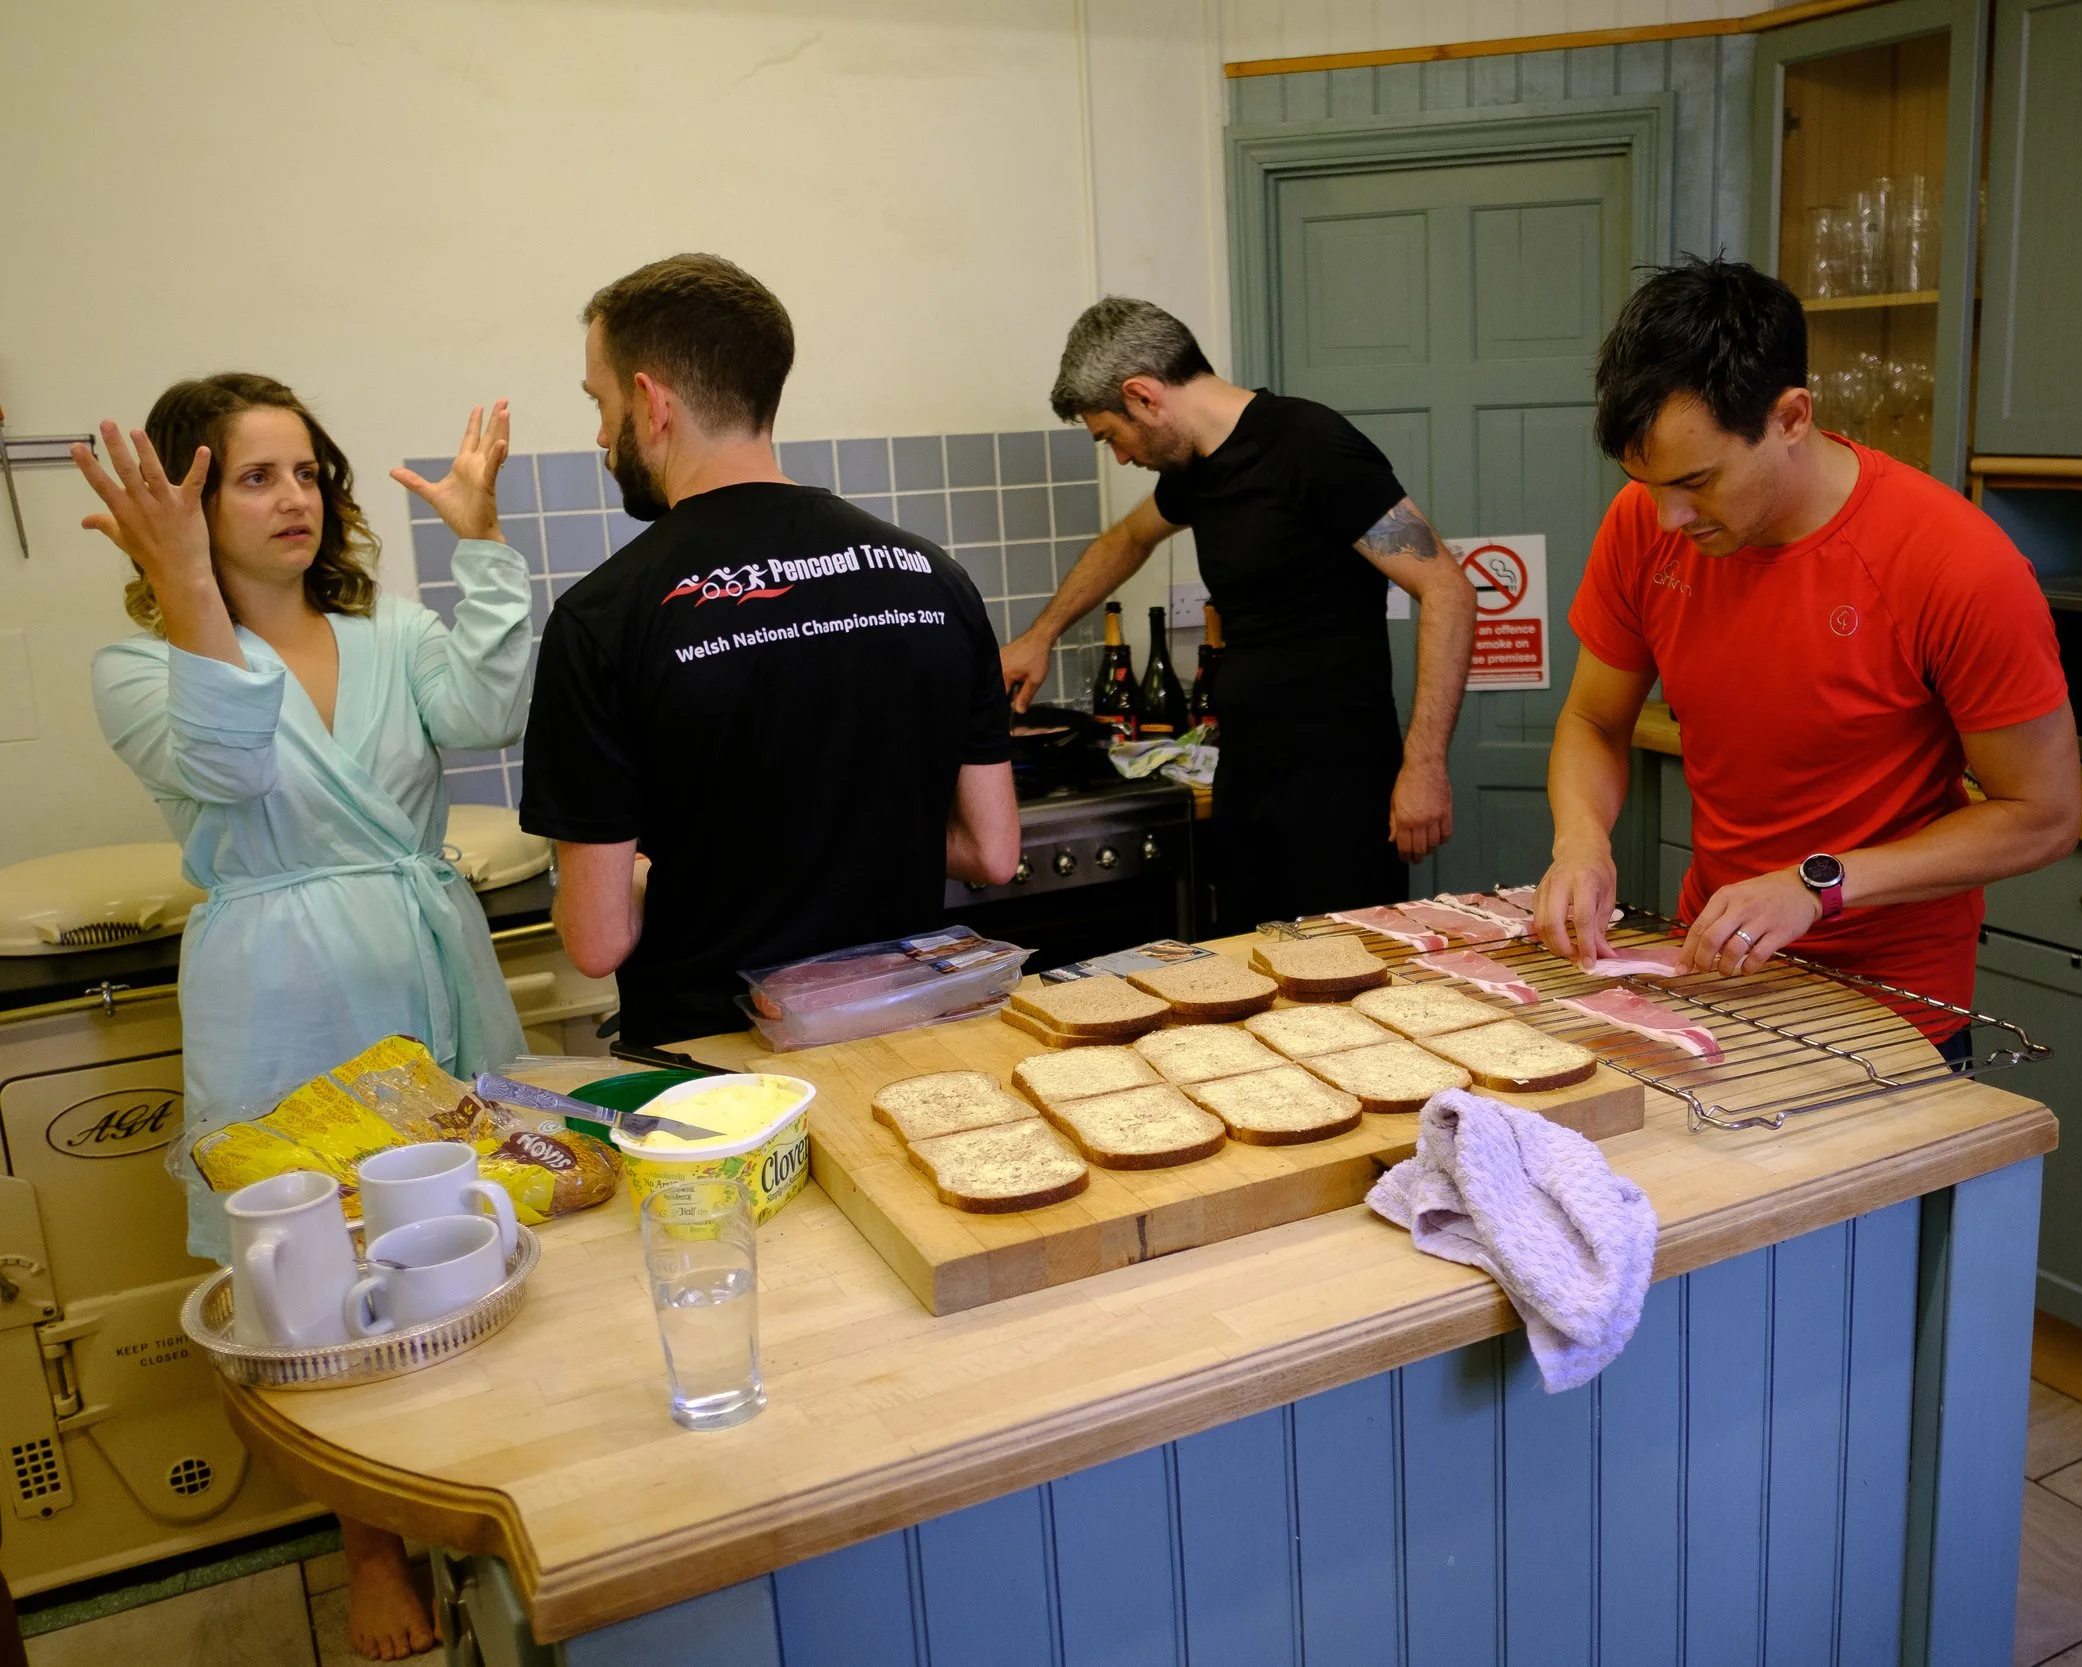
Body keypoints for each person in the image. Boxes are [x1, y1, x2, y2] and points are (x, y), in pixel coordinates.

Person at [78, 375, 529, 1662]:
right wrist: (186, 589)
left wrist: (481, 544)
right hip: (283, 984)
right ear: (188, 502)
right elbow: (227, 763)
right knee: (312, 1273)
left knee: (469, 1226)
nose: (296, 498)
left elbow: (489, 710)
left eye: (308, 472)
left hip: (427, 956)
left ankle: (483, 1480)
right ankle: (368, 1543)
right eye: (253, 477)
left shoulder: (387, 629)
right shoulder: (139, 665)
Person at [1535, 258, 2081, 1050]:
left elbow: (2044, 816)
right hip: (1717, 974)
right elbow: (1592, 720)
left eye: (1697, 481)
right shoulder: (1644, 527)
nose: (1667, 517)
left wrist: (1815, 884)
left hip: (1891, 1006)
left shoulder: (1956, 564)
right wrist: (1581, 842)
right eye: (1646, 483)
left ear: (1791, 417)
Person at [521, 254, 1019, 1044]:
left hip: (718, 1071)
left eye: (601, 402)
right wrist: (864, 844)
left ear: (651, 402)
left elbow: (595, 939)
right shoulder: (935, 578)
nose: (602, 435)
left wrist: (646, 876)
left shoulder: (603, 617)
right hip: (900, 1043)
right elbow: (993, 852)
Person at [999, 298, 1477, 930]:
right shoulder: (1196, 469)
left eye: (1111, 436)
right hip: (1247, 776)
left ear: (1143, 396)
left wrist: (1425, 767)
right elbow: (1127, 540)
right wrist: (1041, 634)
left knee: (1341, 978)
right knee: (1246, 969)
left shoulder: (1311, 445)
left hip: (1338, 788)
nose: (1120, 458)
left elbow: (1448, 590)